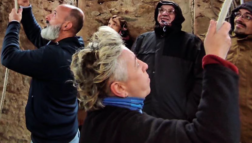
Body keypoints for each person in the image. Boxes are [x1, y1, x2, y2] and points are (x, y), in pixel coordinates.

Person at [70, 22, 240, 143]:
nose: (145, 65)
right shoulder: (130, 130)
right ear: (120, 88)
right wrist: (216, 60)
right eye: (137, 64)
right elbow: (215, 137)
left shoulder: (99, 117)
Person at [1, 0, 84, 143]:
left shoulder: (56, 56)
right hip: (64, 133)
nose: (47, 17)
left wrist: (13, 24)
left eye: (54, 14)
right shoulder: (72, 45)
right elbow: (39, 38)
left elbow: (9, 57)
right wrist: (25, 5)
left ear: (66, 26)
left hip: (52, 139)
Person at [131, 0, 205, 120]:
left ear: (177, 17)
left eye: (171, 11)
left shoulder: (191, 42)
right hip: (145, 112)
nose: (165, 13)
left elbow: (201, 78)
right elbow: (131, 71)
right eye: (161, 10)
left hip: (177, 115)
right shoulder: (143, 40)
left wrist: (190, 109)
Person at [227, 1, 252, 143]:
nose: (239, 19)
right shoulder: (226, 45)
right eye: (238, 14)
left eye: (247, 16)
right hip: (226, 124)